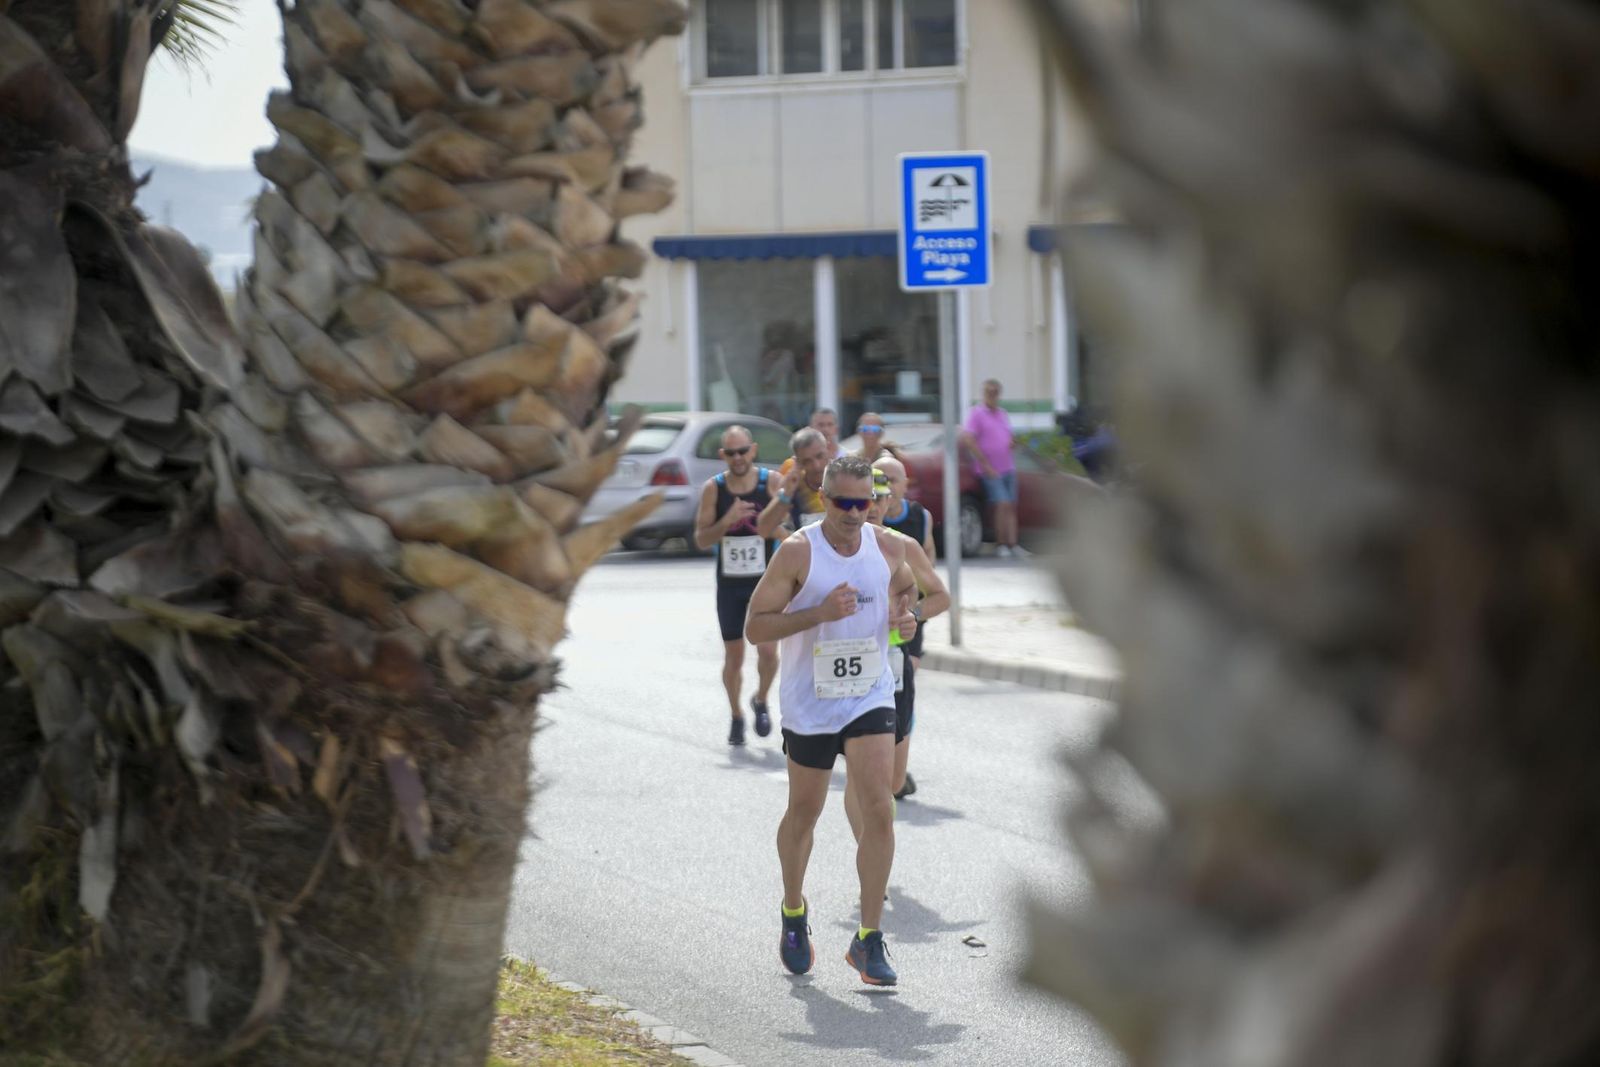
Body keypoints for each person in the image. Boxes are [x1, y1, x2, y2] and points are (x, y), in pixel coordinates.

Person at [745, 455, 923, 986]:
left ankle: (868, 938)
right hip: (811, 700)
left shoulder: (888, 546)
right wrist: (819, 613)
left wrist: (905, 619)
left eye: (862, 502)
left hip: (869, 694)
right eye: (841, 502)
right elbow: (755, 627)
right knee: (805, 811)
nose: (852, 512)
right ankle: (794, 912)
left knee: (879, 809)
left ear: (874, 500)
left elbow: (910, 591)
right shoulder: (799, 551)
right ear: (823, 498)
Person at [693, 425, 778, 745]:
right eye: (731, 453)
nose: (738, 458)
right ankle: (736, 715)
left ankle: (761, 698)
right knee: (734, 656)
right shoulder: (713, 489)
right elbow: (701, 539)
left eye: (743, 451)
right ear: (722, 456)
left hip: (765, 582)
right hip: (730, 585)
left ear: (753, 450)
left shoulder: (770, 482)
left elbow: (787, 525)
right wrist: (726, 521)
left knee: (769, 652)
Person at [872, 456, 937, 799]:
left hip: (896, 654)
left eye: (878, 498)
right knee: (865, 778)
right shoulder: (823, 544)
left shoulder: (903, 544)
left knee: (891, 785)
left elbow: (940, 596)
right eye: (862, 498)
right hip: (845, 667)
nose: (870, 506)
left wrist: (911, 612)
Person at [958, 378, 1029, 558]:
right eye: (989, 392)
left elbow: (1007, 436)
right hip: (989, 469)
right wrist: (985, 464)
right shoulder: (976, 413)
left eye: (995, 392)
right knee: (1001, 504)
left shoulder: (1002, 414)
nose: (992, 396)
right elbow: (969, 439)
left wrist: (1011, 443)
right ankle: (1001, 544)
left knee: (1010, 505)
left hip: (1008, 467)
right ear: (984, 394)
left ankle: (1013, 544)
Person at [758, 427, 829, 539]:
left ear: (828, 449)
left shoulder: (844, 478)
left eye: (819, 456)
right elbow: (763, 530)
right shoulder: (794, 486)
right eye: (807, 461)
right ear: (798, 462)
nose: (816, 465)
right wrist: (786, 494)